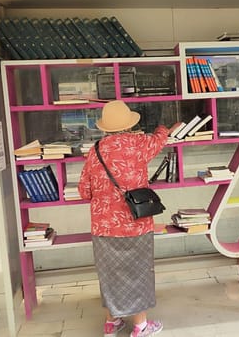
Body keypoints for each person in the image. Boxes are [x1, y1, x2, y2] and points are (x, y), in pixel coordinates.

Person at [78, 100, 169, 337]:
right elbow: (160, 139)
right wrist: (163, 127)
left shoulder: (95, 150)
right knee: (138, 271)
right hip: (135, 223)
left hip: (104, 225)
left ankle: (112, 323)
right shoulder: (139, 144)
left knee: (110, 273)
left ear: (105, 128)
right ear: (129, 125)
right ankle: (140, 326)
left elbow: (84, 191)